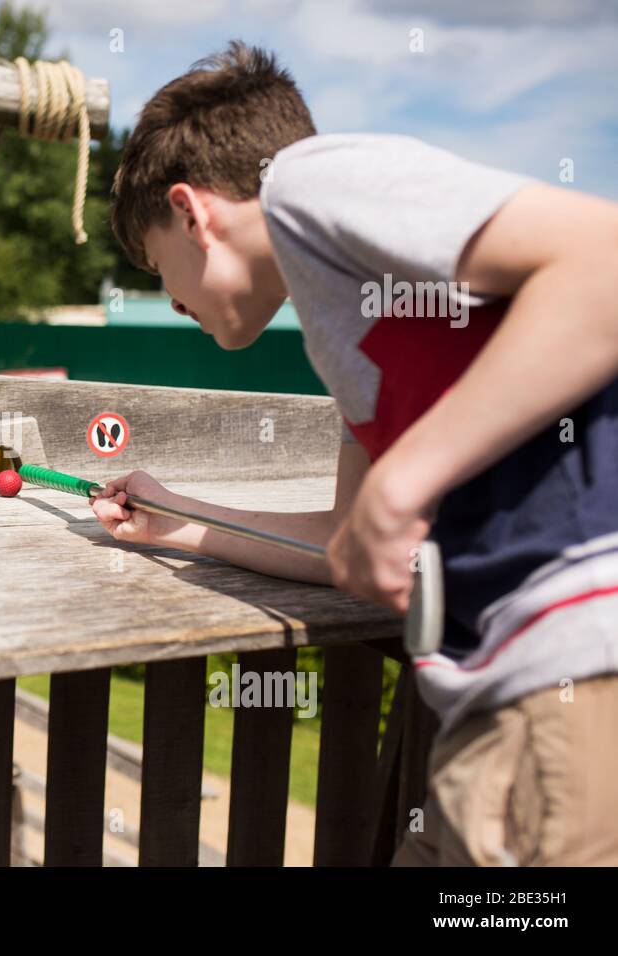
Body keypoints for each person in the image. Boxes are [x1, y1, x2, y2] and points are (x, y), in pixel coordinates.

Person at [94, 41, 618, 865]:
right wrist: (180, 520)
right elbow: (351, 542)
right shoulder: (351, 339)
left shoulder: (308, 183)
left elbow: (606, 263)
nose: (172, 299)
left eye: (160, 267)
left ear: (192, 213)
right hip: (495, 711)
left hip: (572, 683)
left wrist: (408, 473)